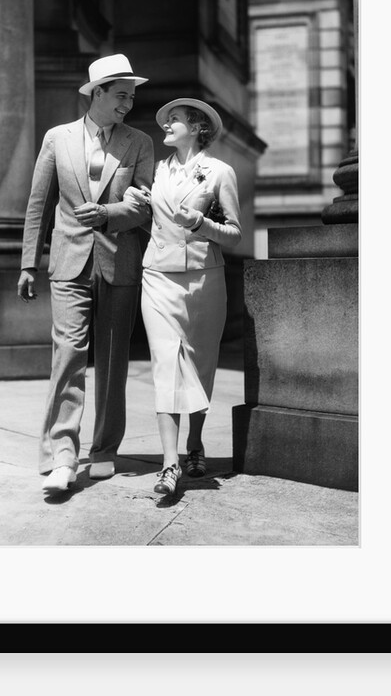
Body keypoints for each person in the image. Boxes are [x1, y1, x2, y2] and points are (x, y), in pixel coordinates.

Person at [17, 54, 155, 495]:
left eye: (132, 97)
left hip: (120, 260)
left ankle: (105, 449)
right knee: (69, 354)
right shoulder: (56, 138)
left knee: (114, 360)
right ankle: (62, 455)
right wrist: (27, 263)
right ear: (96, 93)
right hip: (67, 261)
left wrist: (109, 213)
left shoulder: (140, 142)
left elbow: (144, 204)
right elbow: (38, 203)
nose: (128, 104)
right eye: (120, 96)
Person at [125, 98, 242, 496]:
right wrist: (136, 205)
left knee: (199, 364)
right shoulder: (156, 171)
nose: (166, 124)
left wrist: (202, 222)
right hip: (157, 277)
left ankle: (195, 444)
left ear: (196, 127)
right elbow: (153, 223)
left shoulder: (220, 172)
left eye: (174, 119)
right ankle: (169, 464)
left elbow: (235, 233)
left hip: (203, 281)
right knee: (165, 365)